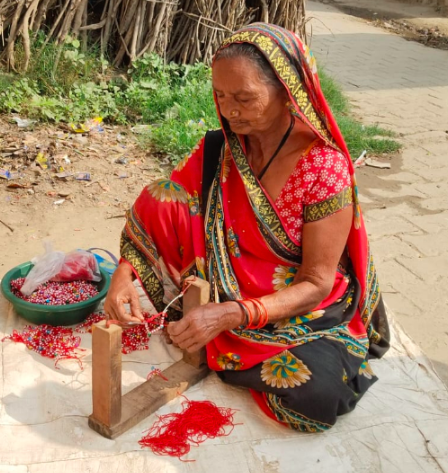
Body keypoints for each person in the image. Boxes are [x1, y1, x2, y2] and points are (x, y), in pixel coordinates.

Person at [104, 23, 390, 432]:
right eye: (220, 96)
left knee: (314, 396)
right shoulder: (221, 147)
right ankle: (222, 337)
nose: (229, 110)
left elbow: (316, 283)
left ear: (287, 90)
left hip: (298, 306)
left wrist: (234, 313)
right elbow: (159, 204)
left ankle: (230, 342)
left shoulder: (323, 168)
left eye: (244, 98)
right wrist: (123, 273)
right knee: (166, 195)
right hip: (227, 284)